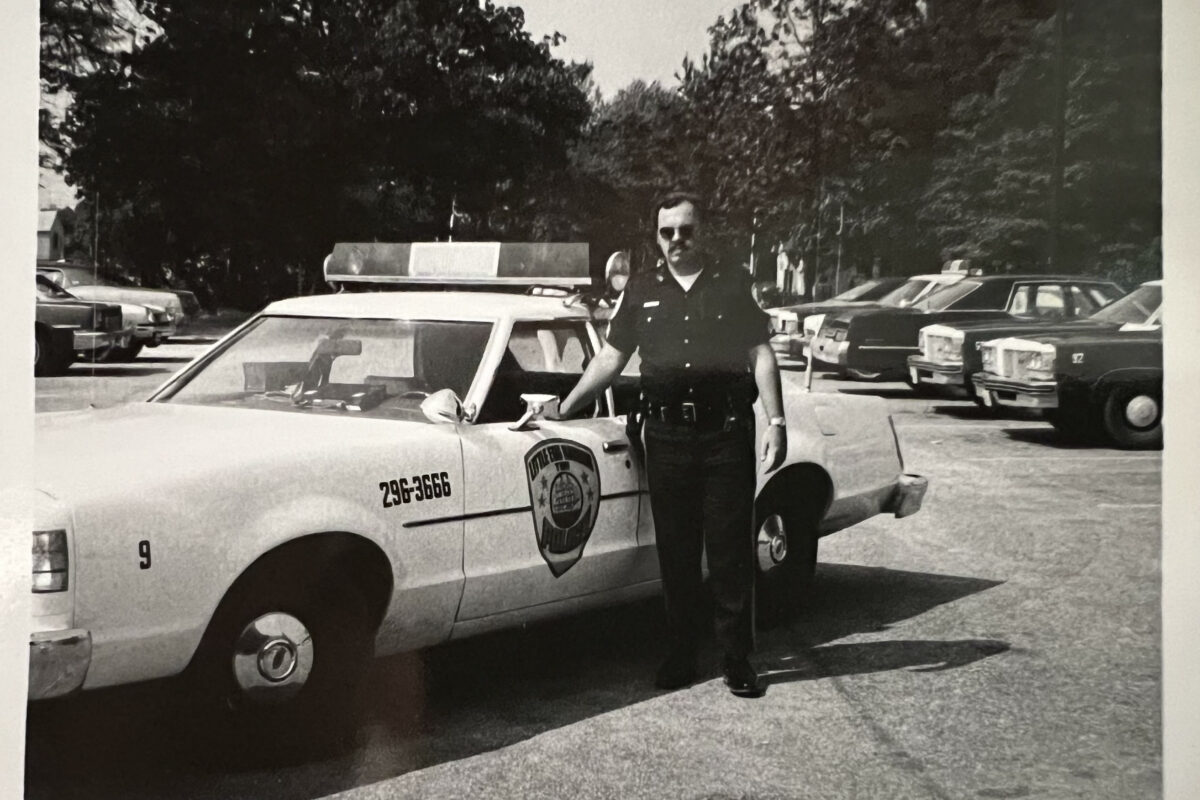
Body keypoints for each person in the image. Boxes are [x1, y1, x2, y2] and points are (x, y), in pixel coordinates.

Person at [557, 192, 787, 698]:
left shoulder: (731, 281)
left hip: (725, 433)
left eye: (686, 230)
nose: (677, 240)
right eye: (667, 232)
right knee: (677, 553)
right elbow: (611, 359)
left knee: (728, 552)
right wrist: (565, 406)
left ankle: (736, 658)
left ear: (701, 231)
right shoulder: (641, 287)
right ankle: (682, 653)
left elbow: (760, 353)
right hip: (666, 436)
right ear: (656, 237)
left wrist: (777, 422)